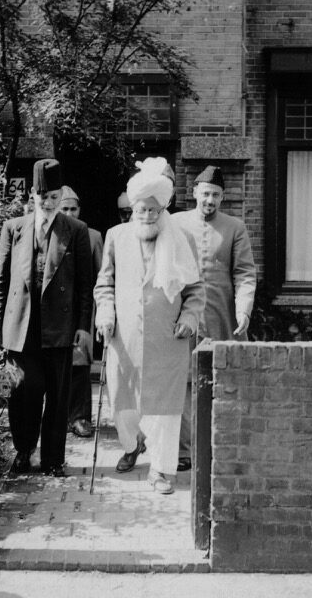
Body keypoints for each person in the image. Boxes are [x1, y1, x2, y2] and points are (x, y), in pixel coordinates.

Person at [94, 157, 205, 494]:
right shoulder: (116, 236)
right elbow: (105, 285)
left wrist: (189, 317)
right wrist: (105, 313)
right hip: (124, 339)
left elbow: (195, 290)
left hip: (166, 339)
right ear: (132, 207)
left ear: (162, 210)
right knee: (124, 406)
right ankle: (132, 445)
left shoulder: (181, 237)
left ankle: (161, 470)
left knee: (164, 411)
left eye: (152, 211)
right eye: (139, 210)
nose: (145, 216)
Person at [0, 159, 93, 476]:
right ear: (32, 194)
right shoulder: (14, 228)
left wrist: (82, 327)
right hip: (21, 326)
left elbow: (85, 286)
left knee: (58, 398)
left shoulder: (76, 231)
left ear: (61, 197)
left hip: (59, 328)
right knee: (23, 394)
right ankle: (23, 452)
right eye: (42, 196)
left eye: (53, 198)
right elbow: (0, 281)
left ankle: (52, 459)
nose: (47, 203)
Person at [173, 165, 256, 471]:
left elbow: (245, 273)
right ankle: (183, 451)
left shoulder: (235, 227)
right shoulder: (175, 223)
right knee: (183, 381)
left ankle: (219, 446)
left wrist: (243, 308)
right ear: (194, 192)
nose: (209, 200)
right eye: (205, 193)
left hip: (222, 316)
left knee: (221, 379)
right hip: (182, 316)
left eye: (216, 195)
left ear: (223, 197)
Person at [59, 185, 103, 438]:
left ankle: (81, 417)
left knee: (80, 363)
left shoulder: (93, 236)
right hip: (55, 310)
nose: (69, 212)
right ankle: (60, 416)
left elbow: (101, 275)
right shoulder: (51, 232)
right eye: (64, 208)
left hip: (82, 307)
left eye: (73, 208)